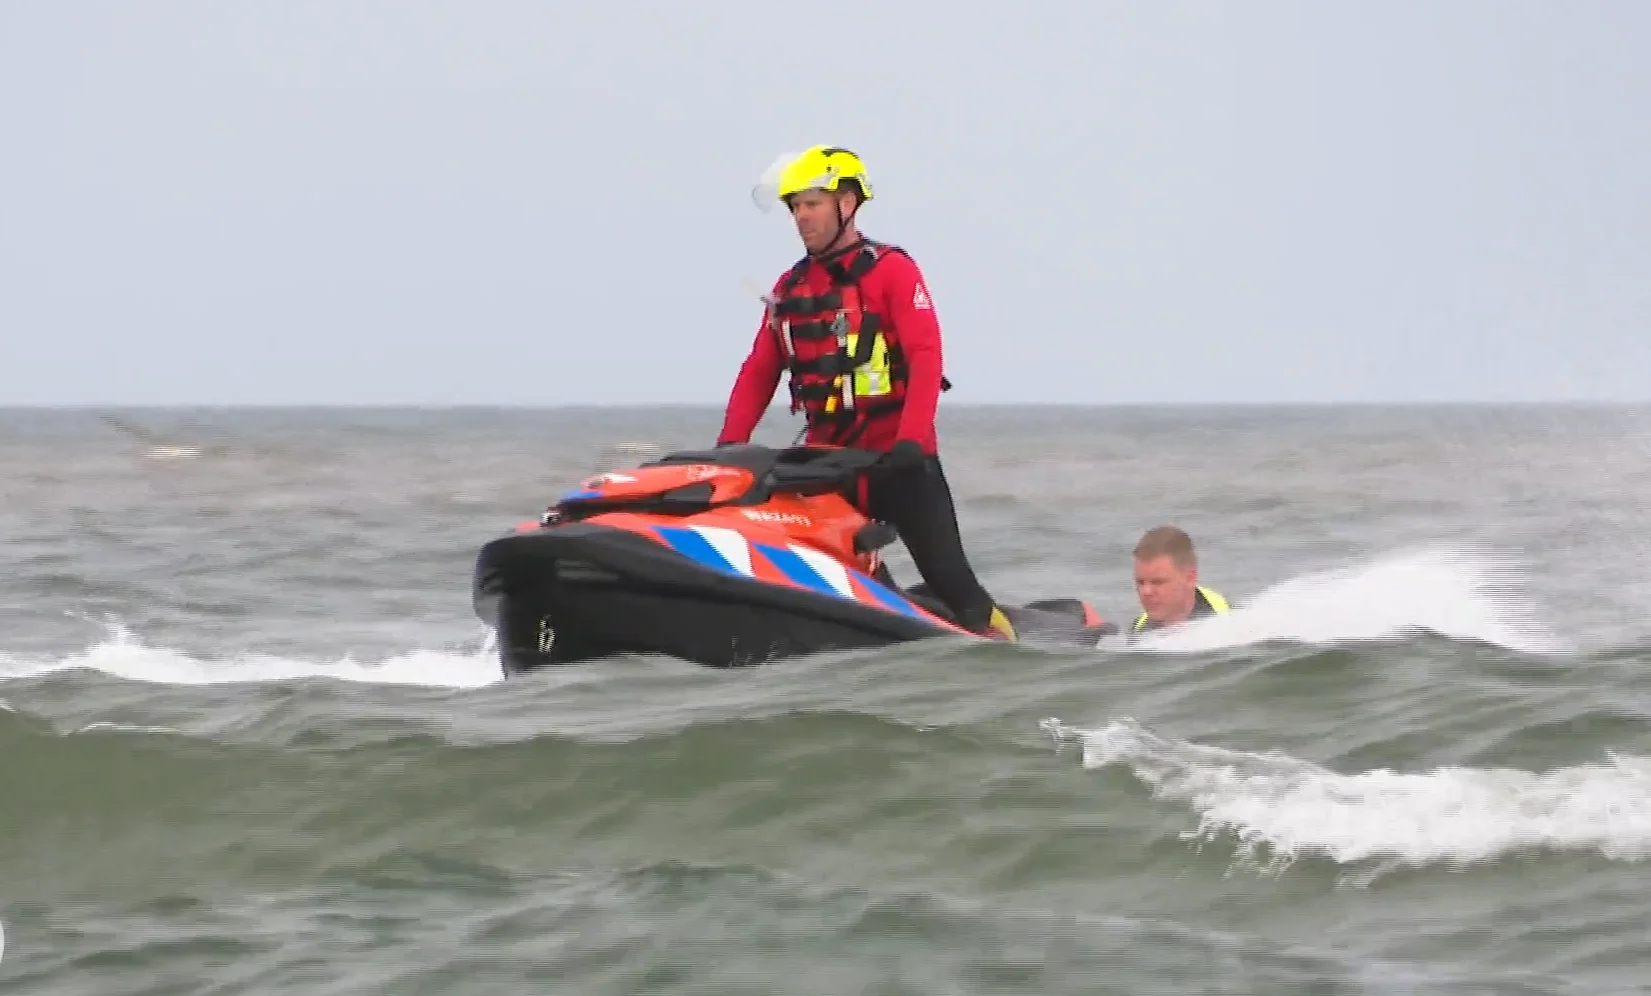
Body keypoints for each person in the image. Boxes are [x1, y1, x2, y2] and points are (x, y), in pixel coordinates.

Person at [714, 145, 1016, 640]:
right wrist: (729, 449)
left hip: (897, 461)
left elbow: (925, 355)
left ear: (847, 203)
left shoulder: (893, 270)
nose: (801, 216)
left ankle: (1005, 649)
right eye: (794, 206)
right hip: (827, 465)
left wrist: (912, 441)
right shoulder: (791, 287)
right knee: (839, 571)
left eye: (811, 203)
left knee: (953, 581)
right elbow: (758, 371)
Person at [1130, 525, 1230, 634]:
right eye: (1140, 582)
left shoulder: (1227, 625)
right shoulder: (1138, 629)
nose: (1146, 591)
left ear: (1190, 578)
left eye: (1158, 582)